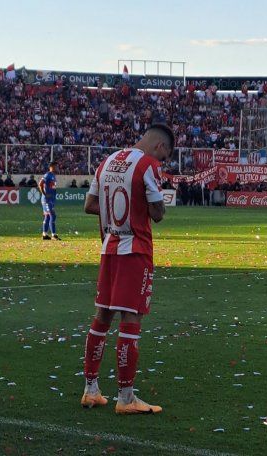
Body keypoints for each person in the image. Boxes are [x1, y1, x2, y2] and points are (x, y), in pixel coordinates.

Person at [81, 124, 172, 414]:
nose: (161, 163)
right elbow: (158, 213)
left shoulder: (107, 162)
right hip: (135, 250)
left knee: (102, 316)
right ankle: (125, 397)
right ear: (159, 147)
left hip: (109, 247)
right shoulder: (148, 165)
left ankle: (90, 390)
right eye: (164, 157)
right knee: (131, 319)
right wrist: (139, 208)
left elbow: (89, 205)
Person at [39, 161, 60, 240]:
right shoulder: (47, 175)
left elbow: (52, 187)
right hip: (47, 200)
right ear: (52, 167)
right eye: (56, 166)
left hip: (51, 200)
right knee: (53, 215)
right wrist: (44, 194)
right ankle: (53, 235)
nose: (57, 168)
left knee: (47, 216)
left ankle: (44, 235)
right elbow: (40, 184)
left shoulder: (53, 176)